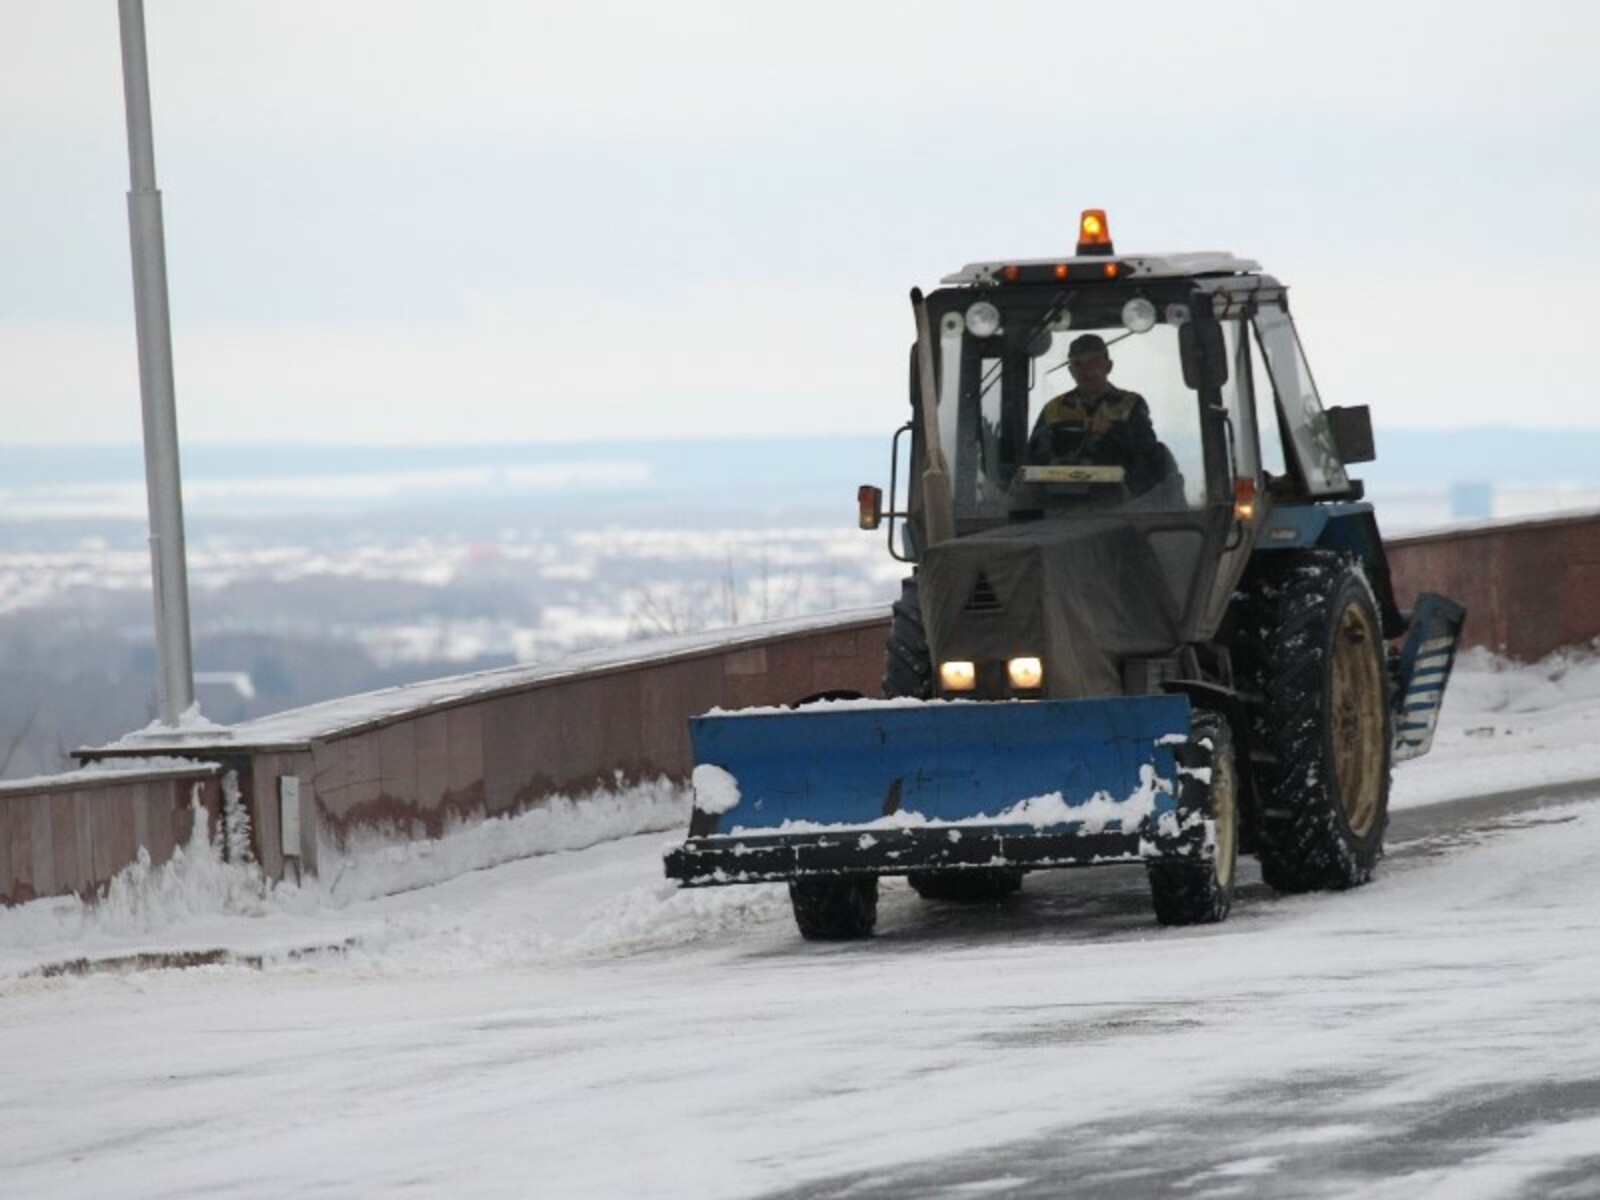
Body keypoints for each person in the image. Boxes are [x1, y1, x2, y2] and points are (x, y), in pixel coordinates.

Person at [1027, 333, 1167, 496]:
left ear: (1108, 366)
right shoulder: (1054, 409)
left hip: (1122, 501)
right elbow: (1032, 456)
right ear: (1071, 371)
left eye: (1093, 362)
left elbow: (1147, 450)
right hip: (1060, 499)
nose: (1086, 371)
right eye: (1078, 364)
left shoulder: (1130, 404)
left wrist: (1113, 430)